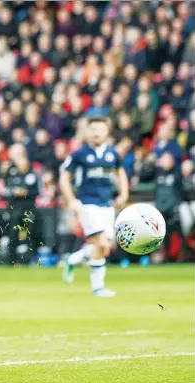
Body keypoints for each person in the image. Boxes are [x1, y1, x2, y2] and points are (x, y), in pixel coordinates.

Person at [59, 117, 129, 297]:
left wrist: (123, 193)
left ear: (107, 132)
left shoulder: (112, 154)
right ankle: (98, 288)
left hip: (107, 205)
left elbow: (120, 173)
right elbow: (64, 177)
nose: (97, 132)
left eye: (101, 128)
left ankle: (72, 259)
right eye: (93, 129)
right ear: (87, 132)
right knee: (101, 243)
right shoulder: (79, 154)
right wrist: (71, 200)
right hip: (88, 204)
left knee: (104, 248)